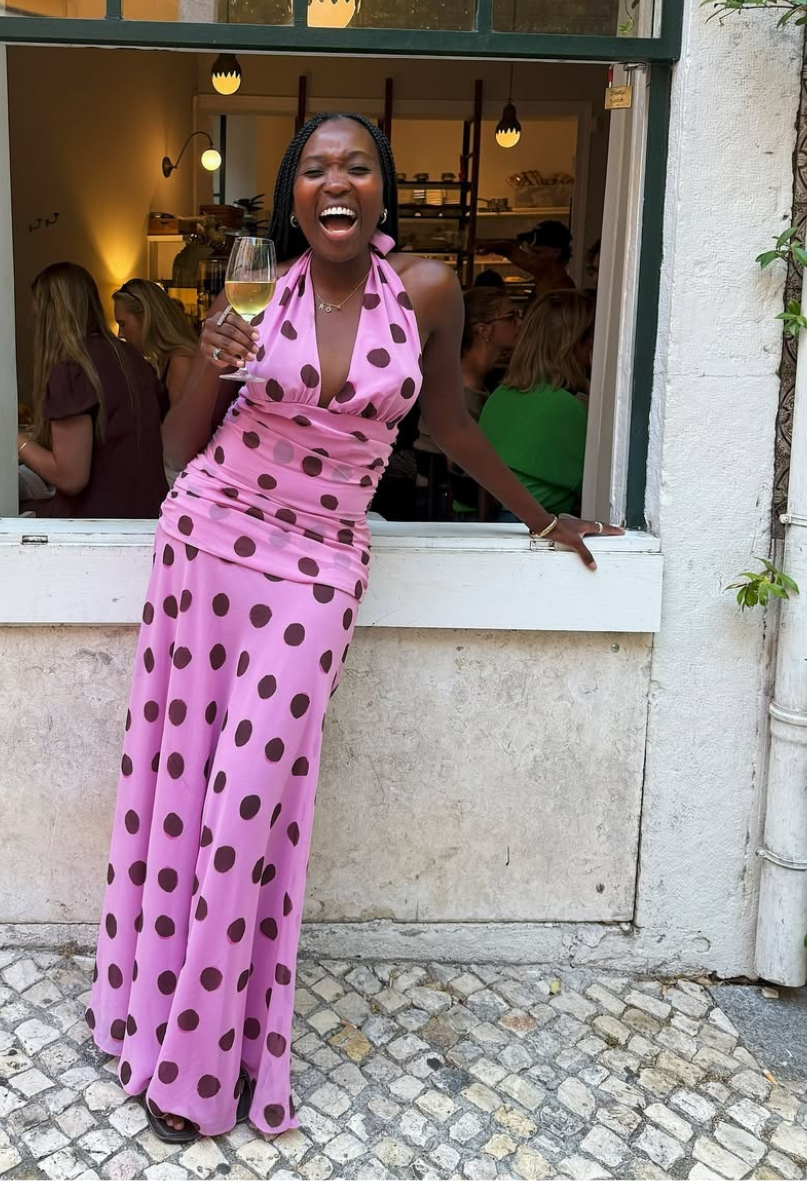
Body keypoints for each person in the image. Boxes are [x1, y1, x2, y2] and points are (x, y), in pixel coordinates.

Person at [86, 114, 620, 1146]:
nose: (338, 183)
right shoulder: (256, 289)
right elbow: (173, 448)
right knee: (180, 788)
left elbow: (453, 424)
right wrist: (210, 355)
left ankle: (204, 1062)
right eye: (316, 169)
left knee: (246, 809)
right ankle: (153, 1028)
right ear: (292, 197)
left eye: (357, 167)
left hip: (319, 569)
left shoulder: (424, 289)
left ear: (380, 192)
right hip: (207, 541)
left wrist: (543, 516)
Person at [18, 263, 168, 519]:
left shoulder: (72, 370)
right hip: (149, 514)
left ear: (49, 318)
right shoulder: (133, 358)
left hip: (98, 522)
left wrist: (16, 440)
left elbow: (70, 477)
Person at [479, 288, 595, 521]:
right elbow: (601, 484)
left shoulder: (501, 394)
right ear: (579, 344)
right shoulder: (572, 408)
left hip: (485, 520)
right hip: (527, 530)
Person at [451, 286, 523, 520]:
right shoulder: (465, 390)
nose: (519, 323)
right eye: (511, 317)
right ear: (484, 331)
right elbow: (460, 468)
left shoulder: (473, 381)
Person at [113, 278, 199, 417]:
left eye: (123, 324)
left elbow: (184, 430)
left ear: (146, 318)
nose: (120, 334)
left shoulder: (180, 362)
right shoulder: (164, 359)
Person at [478, 219, 575, 304]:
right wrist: (490, 247)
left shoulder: (563, 291)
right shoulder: (541, 271)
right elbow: (509, 250)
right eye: (529, 250)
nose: (529, 256)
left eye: (536, 252)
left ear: (556, 253)